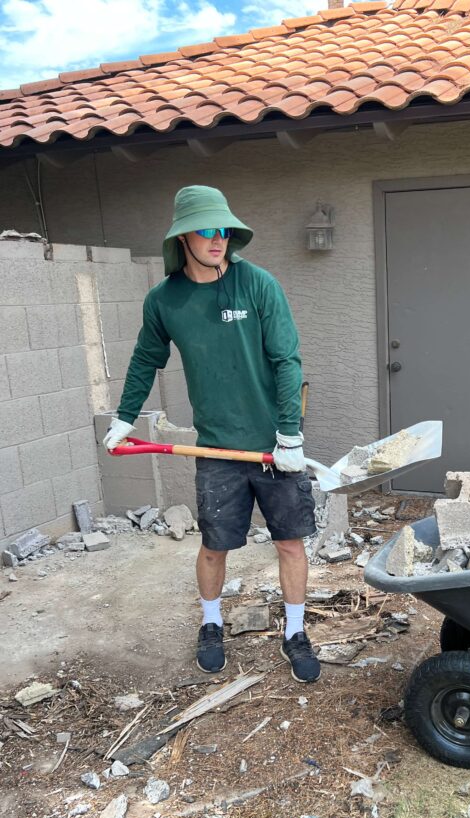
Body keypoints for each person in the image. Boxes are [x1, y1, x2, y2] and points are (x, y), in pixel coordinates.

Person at [102, 185, 320, 683]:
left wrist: (289, 437)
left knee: (290, 543)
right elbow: (144, 361)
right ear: (183, 237)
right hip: (217, 447)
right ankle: (211, 623)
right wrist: (123, 419)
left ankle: (295, 631)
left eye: (224, 229)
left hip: (272, 445)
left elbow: (287, 360)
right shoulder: (165, 300)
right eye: (207, 230)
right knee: (214, 545)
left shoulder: (258, 285)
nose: (218, 239)